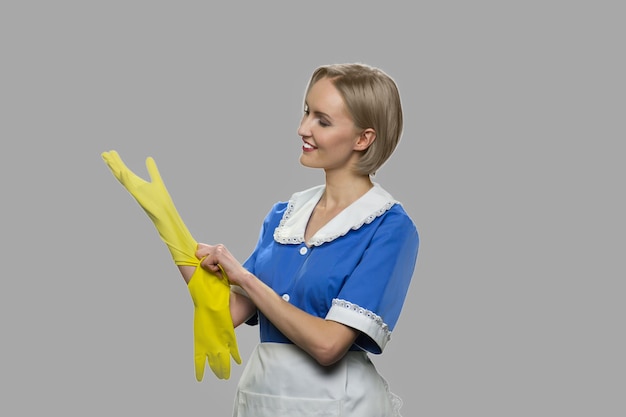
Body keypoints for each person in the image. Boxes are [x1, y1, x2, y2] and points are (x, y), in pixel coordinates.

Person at [178, 63, 420, 416]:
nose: (302, 128)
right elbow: (228, 312)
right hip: (264, 400)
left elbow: (328, 346)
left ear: (363, 139)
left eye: (322, 120)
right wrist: (172, 235)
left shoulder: (389, 228)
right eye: (306, 112)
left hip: (339, 406)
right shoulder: (284, 216)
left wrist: (243, 276)